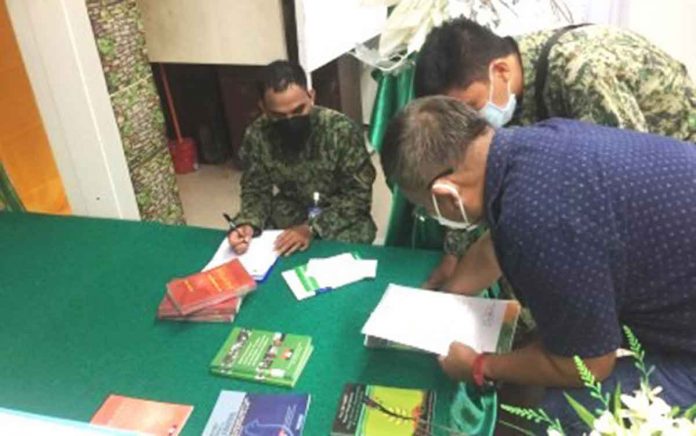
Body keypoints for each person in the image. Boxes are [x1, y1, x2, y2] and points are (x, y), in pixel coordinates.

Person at [380, 96, 696, 432]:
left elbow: (589, 365)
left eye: (425, 208)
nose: (431, 216)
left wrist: (479, 365)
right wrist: (448, 298)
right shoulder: (529, 144)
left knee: (568, 411)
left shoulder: (537, 221)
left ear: (446, 194)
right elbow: (493, 246)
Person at [413, 17, 696, 291]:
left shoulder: (584, 73)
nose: (473, 125)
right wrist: (455, 254)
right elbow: (482, 182)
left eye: (473, 107)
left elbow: (624, 197)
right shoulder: (508, 81)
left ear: (500, 71)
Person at [228, 61, 376, 256]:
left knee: (343, 255)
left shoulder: (340, 131)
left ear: (311, 96)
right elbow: (256, 189)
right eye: (278, 115)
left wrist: (311, 228)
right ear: (263, 108)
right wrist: (248, 222)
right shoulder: (258, 134)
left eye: (299, 110)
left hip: (338, 212)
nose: (290, 120)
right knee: (263, 249)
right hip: (292, 208)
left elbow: (358, 197)